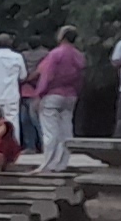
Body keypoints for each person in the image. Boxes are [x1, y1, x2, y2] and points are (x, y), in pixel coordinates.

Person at [31, 26, 87, 172]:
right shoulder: (79, 55)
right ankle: (62, 163)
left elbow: (47, 76)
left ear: (61, 36)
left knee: (50, 131)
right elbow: (80, 78)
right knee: (66, 130)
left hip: (53, 94)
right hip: (71, 95)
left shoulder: (55, 54)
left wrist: (39, 94)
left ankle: (48, 163)